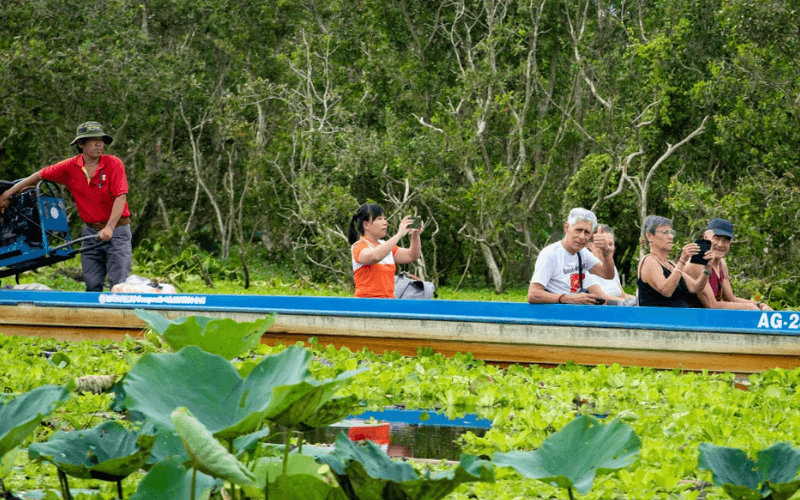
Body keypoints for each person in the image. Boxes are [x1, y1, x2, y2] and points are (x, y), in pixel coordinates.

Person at [0, 121, 132, 291]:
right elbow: (39, 175)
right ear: (80, 143)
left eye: (101, 139)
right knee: (92, 283)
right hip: (91, 231)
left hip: (118, 230)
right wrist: (8, 194)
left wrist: (110, 227)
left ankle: (120, 314)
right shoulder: (71, 166)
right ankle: (93, 315)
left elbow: (120, 197)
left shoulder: (113, 163)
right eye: (93, 140)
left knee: (119, 282)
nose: (99, 144)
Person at [527, 208, 616, 305]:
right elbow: (533, 294)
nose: (582, 236)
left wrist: (605, 252)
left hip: (573, 312)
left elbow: (608, 274)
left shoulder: (582, 253)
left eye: (587, 232)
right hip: (554, 313)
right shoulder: (550, 254)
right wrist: (566, 298)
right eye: (578, 230)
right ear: (566, 227)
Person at [684, 218, 765, 311]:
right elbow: (712, 305)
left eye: (726, 240)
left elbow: (731, 299)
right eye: (716, 238)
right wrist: (749, 307)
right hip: (691, 320)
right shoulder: (696, 263)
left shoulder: (721, 263)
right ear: (706, 237)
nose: (720, 244)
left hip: (711, 320)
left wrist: (760, 305)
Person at [348, 203, 423, 298]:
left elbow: (411, 255)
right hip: (366, 305)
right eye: (379, 219)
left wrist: (415, 235)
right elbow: (374, 256)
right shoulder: (358, 246)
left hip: (388, 303)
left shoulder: (385, 245)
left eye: (384, 218)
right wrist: (399, 234)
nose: (385, 222)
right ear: (366, 224)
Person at [637, 215, 712, 308]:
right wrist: (682, 260)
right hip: (660, 320)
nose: (670, 237)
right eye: (665, 232)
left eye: (671, 233)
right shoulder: (649, 261)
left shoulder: (671, 264)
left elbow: (695, 288)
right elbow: (666, 291)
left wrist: (707, 268)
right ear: (649, 236)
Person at [584, 224, 636, 301]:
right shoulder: (585, 269)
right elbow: (602, 299)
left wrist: (641, 301)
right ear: (590, 246)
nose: (607, 248)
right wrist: (630, 303)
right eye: (602, 244)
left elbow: (622, 295)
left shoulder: (611, 268)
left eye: (610, 244)